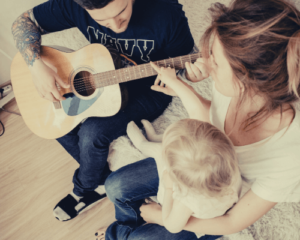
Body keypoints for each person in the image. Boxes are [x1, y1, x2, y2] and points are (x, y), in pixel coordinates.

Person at [98, 0, 300, 239]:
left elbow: (231, 222)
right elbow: (213, 120)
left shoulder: (290, 153)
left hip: (219, 192)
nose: (205, 63)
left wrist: (160, 216)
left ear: (246, 80)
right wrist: (186, 91)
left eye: (213, 59)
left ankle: (119, 235)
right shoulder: (236, 88)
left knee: (140, 237)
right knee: (115, 186)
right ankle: (122, 229)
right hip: (198, 161)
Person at [11, 0, 202, 221]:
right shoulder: (75, 4)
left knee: (92, 133)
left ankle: (85, 188)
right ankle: (100, 179)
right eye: (101, 20)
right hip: (102, 73)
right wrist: (35, 65)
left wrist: (190, 76)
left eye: (121, 12)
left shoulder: (165, 11)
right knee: (52, 118)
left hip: (150, 89)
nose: (115, 24)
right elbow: (23, 22)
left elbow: (183, 64)